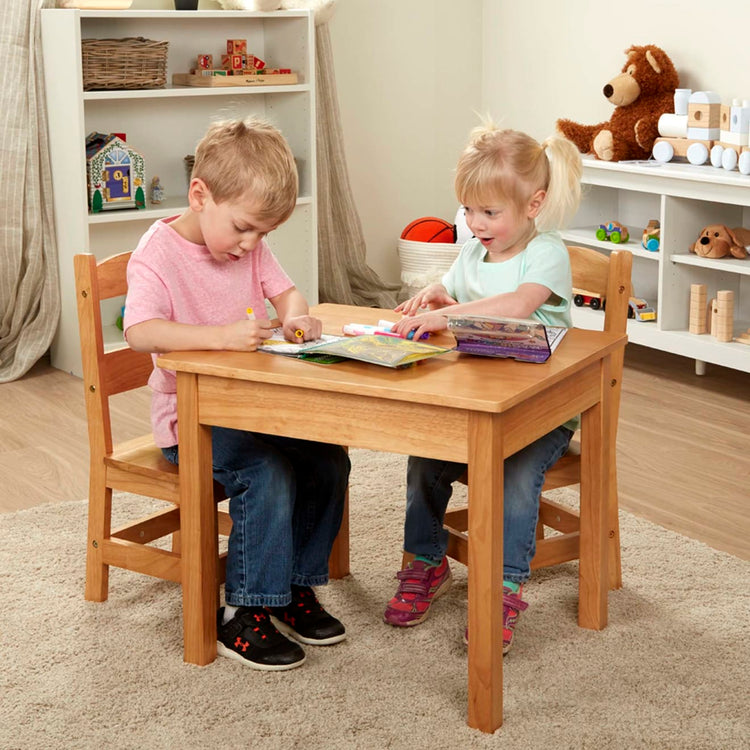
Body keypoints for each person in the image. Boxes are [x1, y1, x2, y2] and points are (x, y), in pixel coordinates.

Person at [124, 116, 350, 671]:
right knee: (265, 473)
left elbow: (288, 294)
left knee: (327, 460)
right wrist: (221, 338)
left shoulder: (247, 249)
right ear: (200, 195)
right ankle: (244, 611)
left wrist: (297, 320)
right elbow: (140, 331)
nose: (251, 245)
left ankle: (291, 587)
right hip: (191, 420)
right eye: (245, 228)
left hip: (253, 409)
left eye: (263, 236)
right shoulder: (157, 253)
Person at [384, 120, 582, 655]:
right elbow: (451, 290)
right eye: (468, 211)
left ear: (533, 205)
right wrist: (432, 296)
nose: (475, 224)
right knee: (425, 458)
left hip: (542, 414)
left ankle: (504, 587)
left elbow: (517, 306)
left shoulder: (547, 254)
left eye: (489, 212)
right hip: (476, 404)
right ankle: (426, 561)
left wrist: (451, 318)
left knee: (515, 475)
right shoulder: (472, 250)